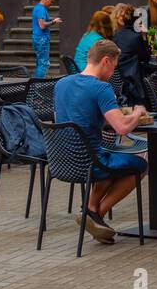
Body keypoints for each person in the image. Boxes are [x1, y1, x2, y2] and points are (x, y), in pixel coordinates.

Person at [54, 38, 148, 243]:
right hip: (91, 162)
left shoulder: (61, 84)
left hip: (62, 159)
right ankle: (96, 214)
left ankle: (91, 212)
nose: (114, 72)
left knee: (112, 159)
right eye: (114, 66)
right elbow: (122, 127)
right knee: (140, 164)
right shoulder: (101, 88)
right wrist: (137, 114)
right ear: (106, 61)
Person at [111, 3, 150, 105]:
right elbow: (146, 58)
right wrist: (144, 37)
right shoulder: (135, 37)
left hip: (119, 81)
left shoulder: (115, 37)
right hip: (135, 84)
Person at [31, 0, 60, 78]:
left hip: (38, 38)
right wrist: (54, 21)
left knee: (40, 63)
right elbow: (42, 25)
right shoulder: (41, 9)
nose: (51, 4)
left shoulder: (38, 8)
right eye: (51, 1)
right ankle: (38, 85)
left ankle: (36, 85)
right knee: (43, 64)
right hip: (41, 39)